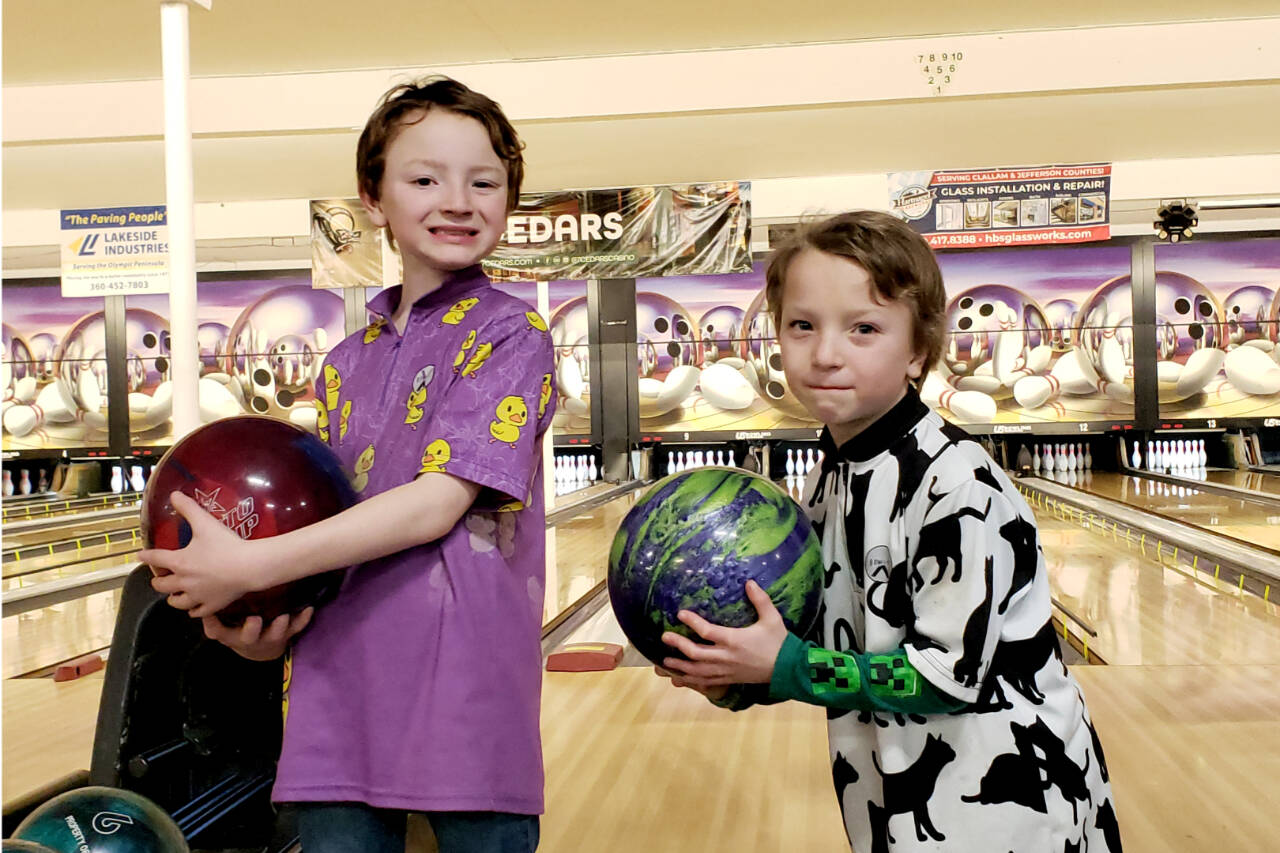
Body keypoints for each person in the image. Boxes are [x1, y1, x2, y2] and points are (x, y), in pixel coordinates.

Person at [143, 76, 555, 853]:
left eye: (484, 180)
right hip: (332, 703)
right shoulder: (342, 362)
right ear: (374, 198)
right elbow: (322, 526)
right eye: (425, 178)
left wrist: (250, 561)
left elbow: (436, 504)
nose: (457, 199)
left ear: (508, 198)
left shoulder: (512, 333)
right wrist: (263, 624)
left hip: (465, 704)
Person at [657, 211, 1122, 852]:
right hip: (892, 807)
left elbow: (945, 679)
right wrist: (741, 676)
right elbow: (836, 648)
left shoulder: (957, 485)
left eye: (864, 329)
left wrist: (787, 668)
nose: (825, 354)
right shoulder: (832, 477)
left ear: (917, 352)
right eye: (802, 325)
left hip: (1011, 818)